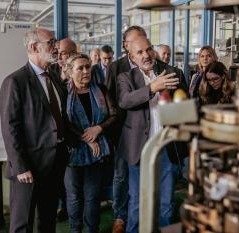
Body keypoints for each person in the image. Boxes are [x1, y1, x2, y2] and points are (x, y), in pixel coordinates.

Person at [0, 28, 69, 233]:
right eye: (51, 42)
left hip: (54, 163)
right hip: (28, 168)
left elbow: (60, 118)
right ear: (33, 47)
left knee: (48, 220)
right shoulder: (15, 82)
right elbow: (9, 127)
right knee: (22, 224)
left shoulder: (54, 78)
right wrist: (20, 167)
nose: (56, 47)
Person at [117, 37, 186, 233]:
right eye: (139, 52)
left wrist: (178, 101)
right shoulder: (126, 77)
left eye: (148, 50)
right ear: (131, 56)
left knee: (167, 201)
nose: (146, 55)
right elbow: (125, 100)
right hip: (140, 149)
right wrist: (152, 87)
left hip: (166, 147)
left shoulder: (171, 73)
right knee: (138, 201)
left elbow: (183, 106)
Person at [64, 54, 117, 233]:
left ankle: (91, 229)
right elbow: (63, 122)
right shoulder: (64, 92)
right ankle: (75, 229)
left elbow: (114, 115)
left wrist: (99, 129)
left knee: (92, 196)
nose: (86, 71)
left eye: (88, 67)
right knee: (73, 197)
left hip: (97, 151)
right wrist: (86, 139)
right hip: (72, 152)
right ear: (70, 72)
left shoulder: (100, 89)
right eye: (80, 68)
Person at [106, 25, 147, 233]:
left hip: (146, 130)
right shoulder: (116, 67)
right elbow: (110, 99)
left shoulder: (153, 64)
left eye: (144, 39)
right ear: (126, 46)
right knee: (121, 176)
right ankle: (120, 216)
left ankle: (142, 215)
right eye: (136, 40)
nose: (142, 45)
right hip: (122, 130)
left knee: (143, 177)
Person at [48, 37, 77, 221]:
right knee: (60, 176)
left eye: (64, 53)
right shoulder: (51, 71)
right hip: (59, 133)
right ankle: (62, 206)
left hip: (80, 130)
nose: (59, 56)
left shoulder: (85, 67)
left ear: (73, 53)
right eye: (57, 52)